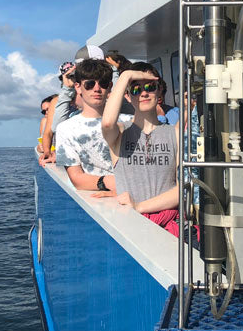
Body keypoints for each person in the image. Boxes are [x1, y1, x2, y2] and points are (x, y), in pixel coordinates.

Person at [94, 62, 182, 236]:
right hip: (131, 228)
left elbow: (181, 191)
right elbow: (107, 122)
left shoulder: (176, 134)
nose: (143, 93)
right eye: (135, 89)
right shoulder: (120, 132)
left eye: (150, 86)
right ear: (127, 96)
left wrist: (139, 207)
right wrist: (126, 75)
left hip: (168, 228)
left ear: (159, 91)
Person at [54, 59, 118, 192]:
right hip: (101, 199)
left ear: (110, 86)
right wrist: (111, 183)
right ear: (78, 87)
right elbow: (77, 179)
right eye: (90, 84)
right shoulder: (65, 129)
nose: (97, 89)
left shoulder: (129, 121)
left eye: (103, 83)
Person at [40, 61, 78, 166]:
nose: (72, 80)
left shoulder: (86, 97)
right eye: (68, 76)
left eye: (74, 76)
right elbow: (48, 132)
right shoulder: (56, 101)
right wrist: (47, 152)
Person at [37, 94, 57, 159]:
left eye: (48, 109)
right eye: (43, 111)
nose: (46, 112)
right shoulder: (44, 121)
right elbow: (41, 144)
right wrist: (39, 148)